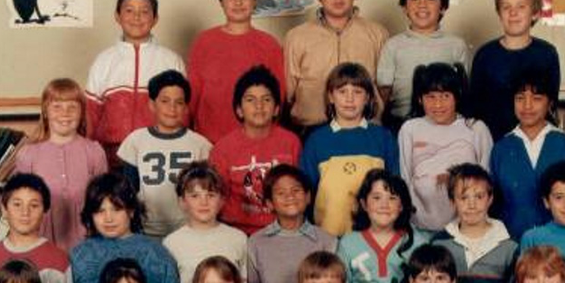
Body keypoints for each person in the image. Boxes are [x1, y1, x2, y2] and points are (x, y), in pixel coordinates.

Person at [283, 0, 389, 134]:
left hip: (366, 128)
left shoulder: (377, 34)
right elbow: (288, 94)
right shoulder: (296, 36)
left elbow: (385, 89)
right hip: (311, 130)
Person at [86, 0, 186, 166]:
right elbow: (90, 117)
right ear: (117, 16)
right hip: (112, 158)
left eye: (144, 12)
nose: (136, 18)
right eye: (129, 11)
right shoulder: (104, 61)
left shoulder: (171, 61)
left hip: (159, 156)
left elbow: (184, 114)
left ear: (155, 18)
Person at [187, 0, 286, 144]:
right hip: (210, 143)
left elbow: (278, 98)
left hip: (256, 144)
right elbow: (191, 99)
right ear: (220, 0)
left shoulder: (269, 45)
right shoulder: (204, 42)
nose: (238, 2)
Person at [67, 172, 179, 283]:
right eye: (100, 211)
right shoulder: (80, 254)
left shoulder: (155, 254)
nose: (108, 218)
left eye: (116, 209)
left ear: (131, 210)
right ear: (90, 215)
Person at [300, 62, 399, 237]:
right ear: (331, 96)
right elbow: (306, 193)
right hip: (327, 236)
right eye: (342, 91)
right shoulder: (316, 140)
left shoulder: (382, 137)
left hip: (374, 236)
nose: (349, 99)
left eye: (358, 92)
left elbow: (395, 188)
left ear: (368, 97)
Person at [489, 67, 565, 241]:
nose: (527, 106)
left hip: (562, 245)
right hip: (512, 244)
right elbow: (494, 205)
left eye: (537, 98)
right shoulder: (501, 148)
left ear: (550, 103)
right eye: (520, 98)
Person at [116, 70, 213, 239]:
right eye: (165, 101)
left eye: (179, 102)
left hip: (188, 230)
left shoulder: (200, 145)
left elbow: (209, 192)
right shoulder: (135, 141)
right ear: (152, 104)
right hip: (147, 231)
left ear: (186, 107)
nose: (172, 108)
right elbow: (128, 191)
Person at [14, 78, 109, 252]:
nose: (65, 113)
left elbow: (104, 202)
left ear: (81, 113)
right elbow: (19, 205)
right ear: (45, 111)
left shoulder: (95, 152)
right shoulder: (28, 154)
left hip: (87, 245)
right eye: (57, 107)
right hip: (41, 245)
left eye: (72, 107)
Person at [397, 63, 493, 232]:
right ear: (420, 99)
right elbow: (404, 177)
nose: (438, 104)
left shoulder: (475, 128)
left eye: (445, 96)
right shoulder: (410, 129)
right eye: (430, 97)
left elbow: (487, 179)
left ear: (457, 96)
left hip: (466, 226)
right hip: (419, 226)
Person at [210, 65, 301, 236]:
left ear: (276, 109)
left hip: (282, 230)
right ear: (239, 109)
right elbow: (217, 198)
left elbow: (300, 193)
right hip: (237, 232)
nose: (259, 106)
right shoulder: (223, 148)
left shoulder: (291, 142)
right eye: (250, 100)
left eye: (266, 99)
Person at [469, 0, 561, 141]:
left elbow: (550, 103)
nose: (513, 13)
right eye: (506, 7)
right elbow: (475, 110)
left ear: (534, 14)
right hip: (493, 142)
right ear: (499, 14)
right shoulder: (485, 55)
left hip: (536, 140)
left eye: (521, 7)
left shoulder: (546, 54)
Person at [376, 0, 469, 132]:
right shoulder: (393, 45)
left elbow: (462, 92)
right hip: (401, 123)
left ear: (443, 7)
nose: (422, 5)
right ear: (404, 7)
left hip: (444, 125)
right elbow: (383, 92)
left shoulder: (456, 45)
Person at [163, 161, 248, 283]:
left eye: (211, 195)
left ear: (222, 200)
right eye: (195, 196)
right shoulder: (171, 243)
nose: (204, 202)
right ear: (182, 202)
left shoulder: (238, 239)